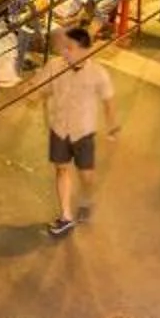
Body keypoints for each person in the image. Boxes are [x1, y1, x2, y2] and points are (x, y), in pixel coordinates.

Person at [44, 23, 118, 241]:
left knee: (86, 175)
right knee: (62, 169)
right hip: (59, 128)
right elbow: (42, 87)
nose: (65, 51)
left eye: (70, 48)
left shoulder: (98, 74)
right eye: (64, 47)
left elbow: (108, 101)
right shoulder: (54, 66)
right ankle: (66, 216)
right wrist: (31, 93)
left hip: (83, 132)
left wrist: (113, 126)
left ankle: (87, 196)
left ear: (85, 50)